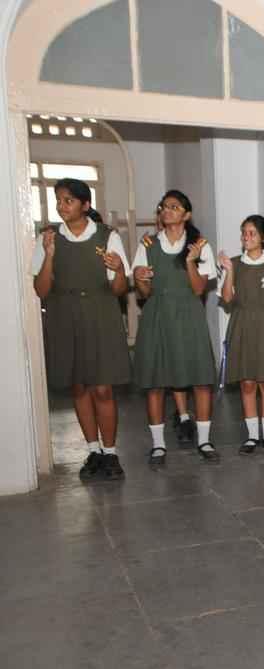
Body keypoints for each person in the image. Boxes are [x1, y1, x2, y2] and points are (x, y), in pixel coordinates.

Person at [32, 178, 131, 481]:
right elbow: (41, 289)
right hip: (64, 317)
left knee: (102, 387)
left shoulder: (107, 236)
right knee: (78, 386)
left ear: (85, 205)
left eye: (68, 200)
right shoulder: (48, 238)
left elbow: (119, 289)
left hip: (100, 315)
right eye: (59, 200)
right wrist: (49, 256)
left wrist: (118, 270)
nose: (62, 206)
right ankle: (93, 450)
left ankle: (111, 452)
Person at [132, 190, 219, 465]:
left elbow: (198, 289)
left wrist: (191, 261)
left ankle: (204, 441)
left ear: (186, 214)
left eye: (174, 206)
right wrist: (140, 278)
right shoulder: (148, 245)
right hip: (157, 315)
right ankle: (158, 445)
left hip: (189, 314)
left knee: (201, 380)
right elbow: (144, 293)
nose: (166, 211)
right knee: (156, 383)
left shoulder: (200, 245)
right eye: (163, 207)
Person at [218, 215, 264, 454]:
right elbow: (227, 298)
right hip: (242, 324)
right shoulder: (235, 263)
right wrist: (229, 271)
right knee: (247, 382)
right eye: (244, 233)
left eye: (251, 233)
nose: (246, 237)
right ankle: (251, 436)